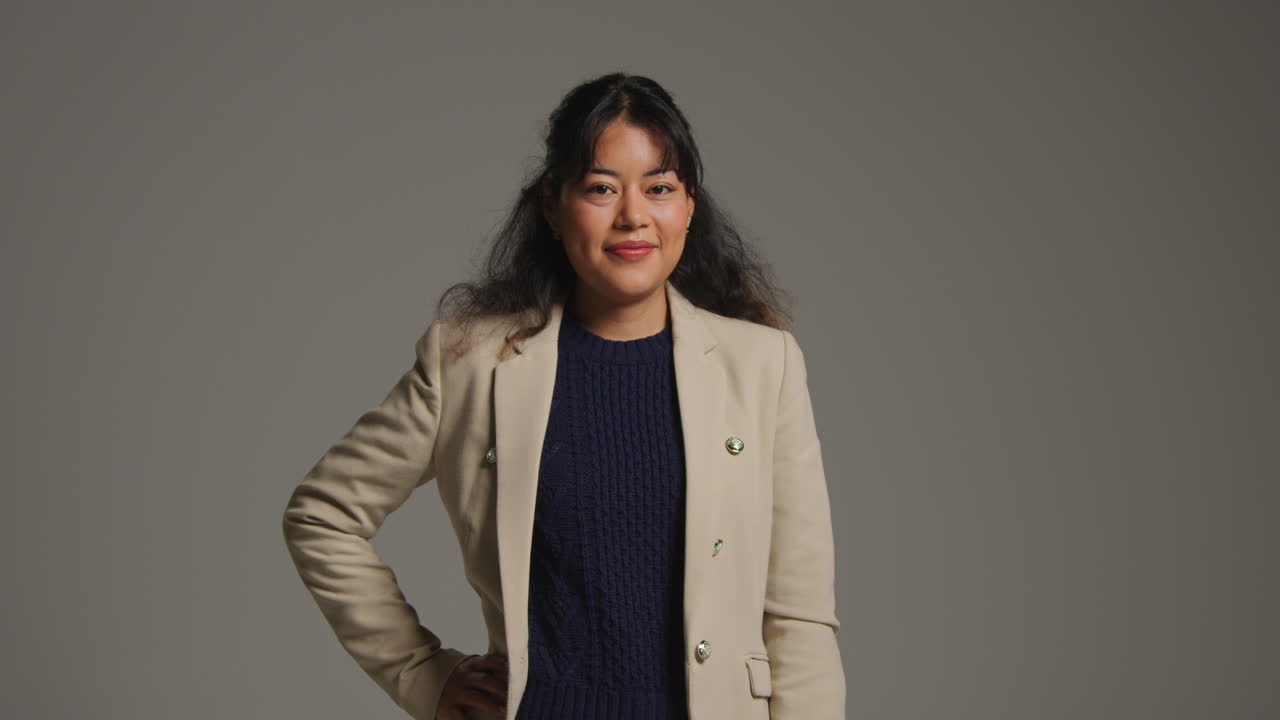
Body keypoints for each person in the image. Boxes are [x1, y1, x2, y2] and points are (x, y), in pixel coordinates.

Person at [282, 72, 844, 720]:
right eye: (601, 188)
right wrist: (422, 674)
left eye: (659, 188)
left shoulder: (764, 366)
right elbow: (322, 515)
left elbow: (799, 618)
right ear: (552, 204)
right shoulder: (470, 365)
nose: (633, 215)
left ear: (689, 204)